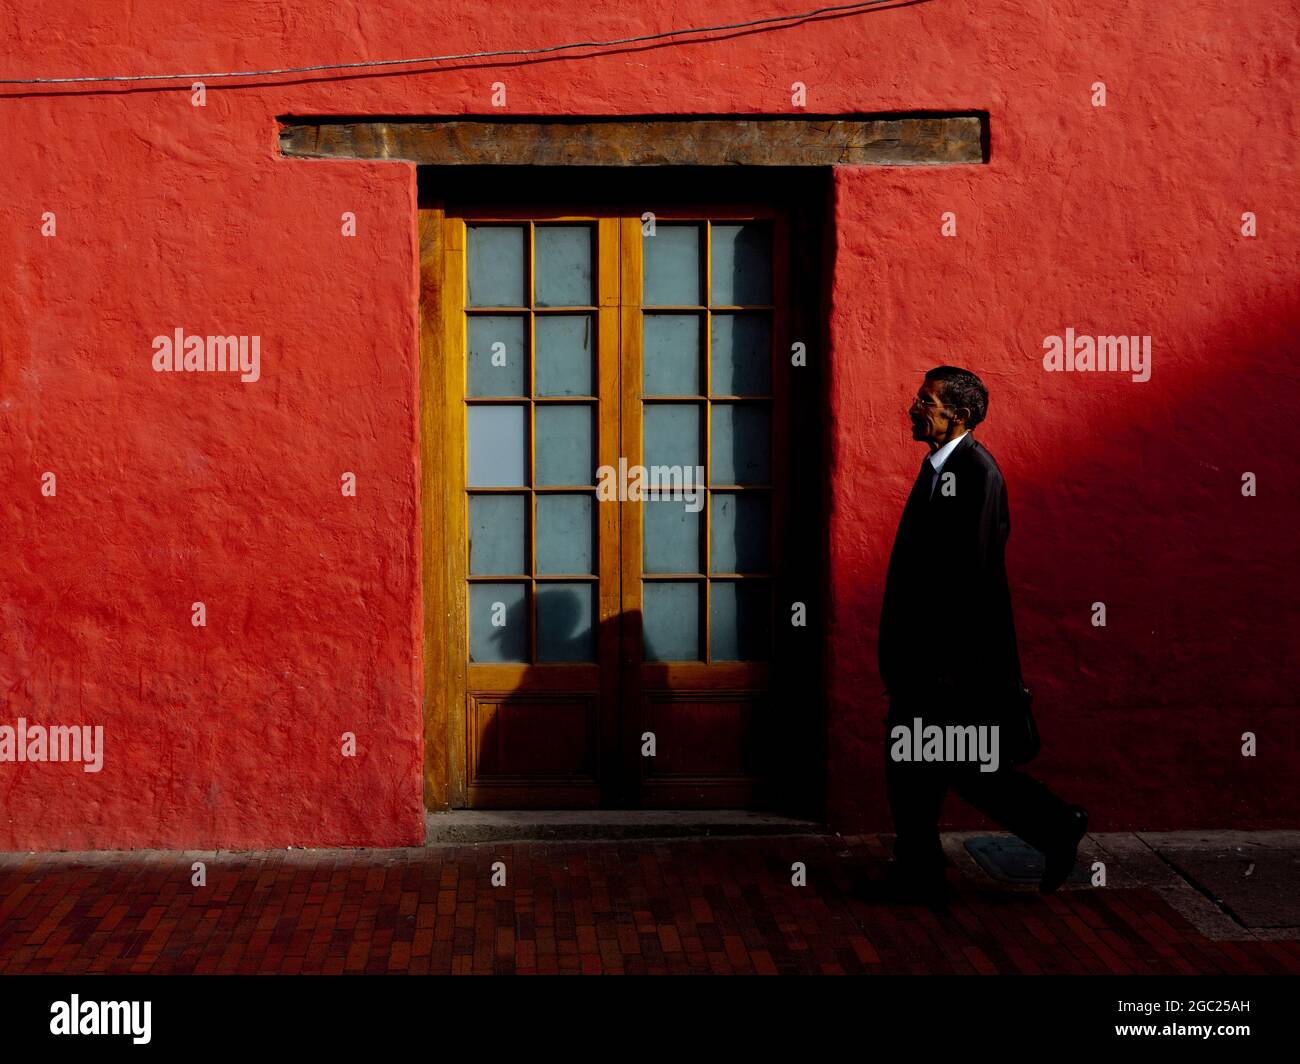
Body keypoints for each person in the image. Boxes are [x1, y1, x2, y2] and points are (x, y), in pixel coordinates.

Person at [871, 365, 1087, 908]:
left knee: (933, 765)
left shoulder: (975, 475)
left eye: (926, 401)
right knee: (942, 766)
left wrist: (941, 668)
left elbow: (971, 577)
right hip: (929, 660)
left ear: (958, 415)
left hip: (945, 665)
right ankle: (1051, 827)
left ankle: (1050, 828)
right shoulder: (942, 467)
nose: (914, 407)